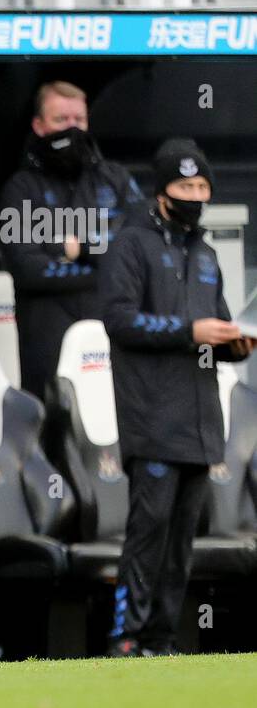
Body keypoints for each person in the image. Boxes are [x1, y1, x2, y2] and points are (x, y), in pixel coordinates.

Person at [99, 138, 254, 658]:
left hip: (201, 422)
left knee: (182, 541)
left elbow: (217, 328)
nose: (195, 194)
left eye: (202, 185)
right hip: (151, 417)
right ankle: (126, 638)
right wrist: (191, 330)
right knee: (149, 534)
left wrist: (235, 343)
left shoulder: (206, 255)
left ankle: (162, 640)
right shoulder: (131, 244)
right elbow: (120, 321)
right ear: (162, 190)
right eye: (184, 185)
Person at [0, 80, 143, 398]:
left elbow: (141, 251)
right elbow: (27, 269)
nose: (72, 129)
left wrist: (79, 249)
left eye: (79, 120)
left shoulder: (115, 179)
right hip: (48, 343)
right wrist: (106, 265)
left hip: (114, 333)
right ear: (39, 126)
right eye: (61, 121)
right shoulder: (21, 189)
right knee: (56, 424)